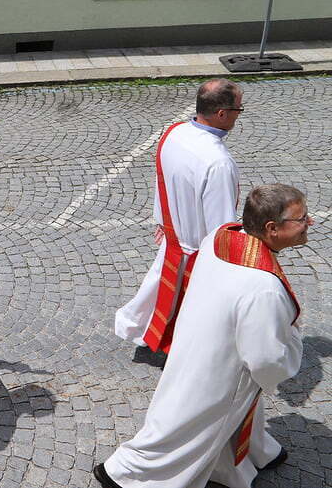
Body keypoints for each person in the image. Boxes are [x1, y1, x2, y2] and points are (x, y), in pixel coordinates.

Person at [95, 184, 307, 488]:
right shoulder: (263, 288)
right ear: (272, 228)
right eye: (300, 219)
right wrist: (294, 343)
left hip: (199, 342)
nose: (308, 223)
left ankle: (250, 456)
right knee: (188, 427)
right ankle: (128, 474)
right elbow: (265, 359)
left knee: (203, 415)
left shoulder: (221, 236)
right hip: (224, 371)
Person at [115, 79, 243, 351]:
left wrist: (163, 220)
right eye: (238, 109)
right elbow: (221, 225)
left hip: (175, 236)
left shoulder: (174, 133)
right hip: (196, 250)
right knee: (192, 315)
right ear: (221, 114)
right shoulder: (218, 162)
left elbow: (162, 180)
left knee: (158, 297)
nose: (239, 114)